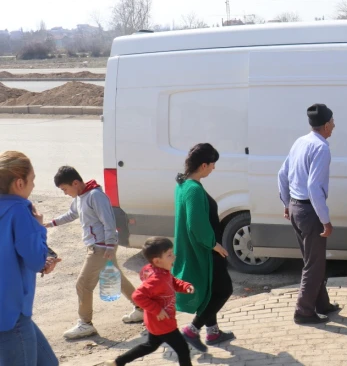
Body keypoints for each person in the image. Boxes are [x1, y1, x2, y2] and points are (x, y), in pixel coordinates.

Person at [48, 166, 143, 340]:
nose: (65, 193)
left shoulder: (95, 196)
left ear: (75, 183)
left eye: (65, 189)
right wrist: (51, 223)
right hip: (101, 246)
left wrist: (108, 246)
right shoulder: (80, 197)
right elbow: (71, 214)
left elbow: (108, 221)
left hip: (100, 247)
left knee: (83, 285)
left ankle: (85, 324)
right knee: (117, 278)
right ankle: (141, 308)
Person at [278, 103, 342, 324]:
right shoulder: (321, 148)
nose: (334, 125)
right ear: (326, 125)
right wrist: (326, 221)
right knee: (314, 264)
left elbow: (282, 174)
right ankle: (303, 311)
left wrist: (287, 203)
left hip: (297, 207)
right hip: (309, 210)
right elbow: (314, 187)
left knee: (312, 261)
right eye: (333, 122)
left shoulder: (300, 141)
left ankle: (321, 303)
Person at [173, 144, 235, 352]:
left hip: (199, 248)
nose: (213, 169)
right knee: (224, 289)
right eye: (212, 164)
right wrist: (214, 245)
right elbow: (196, 225)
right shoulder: (193, 190)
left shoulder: (183, 184)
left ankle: (213, 331)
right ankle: (192, 329)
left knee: (211, 290)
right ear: (203, 165)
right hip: (206, 251)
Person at [0, 151, 60, 366]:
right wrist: (39, 227)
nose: (33, 185)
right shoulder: (20, 211)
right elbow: (35, 259)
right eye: (32, 180)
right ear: (19, 183)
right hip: (12, 315)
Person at [105, 237, 195, 366]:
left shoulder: (160, 272)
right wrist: (157, 310)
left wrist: (185, 286)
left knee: (150, 345)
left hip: (155, 321)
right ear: (157, 261)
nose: (174, 257)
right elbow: (137, 296)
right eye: (169, 255)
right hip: (162, 322)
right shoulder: (156, 279)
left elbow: (172, 281)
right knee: (183, 349)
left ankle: (117, 362)